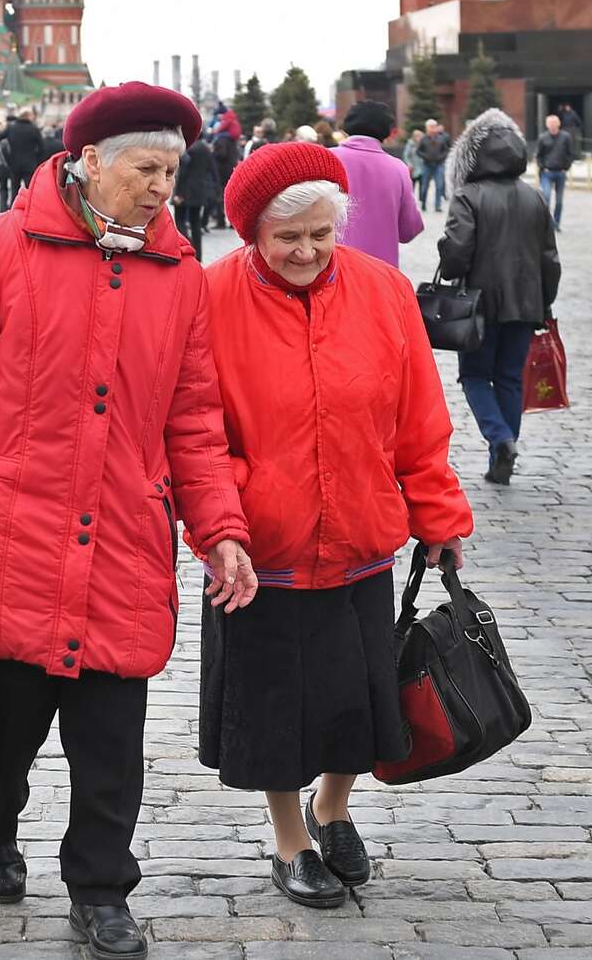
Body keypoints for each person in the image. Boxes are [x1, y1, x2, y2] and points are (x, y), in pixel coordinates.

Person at [0, 82, 254, 960]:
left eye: (172, 169)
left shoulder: (181, 279)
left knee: (110, 744)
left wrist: (220, 530)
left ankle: (101, 890)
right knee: (8, 728)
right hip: (10, 533)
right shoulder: (0, 251)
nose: (163, 186)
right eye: (146, 168)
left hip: (124, 541)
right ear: (90, 162)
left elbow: (195, 419)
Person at [197, 139, 473, 911]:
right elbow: (193, 432)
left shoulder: (384, 292)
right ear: (253, 232)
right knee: (274, 704)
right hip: (260, 548)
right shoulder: (211, 297)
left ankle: (334, 804)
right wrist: (229, 515)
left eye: (322, 233)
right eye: (289, 237)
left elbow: (420, 417)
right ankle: (290, 837)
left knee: (358, 694)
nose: (308, 250)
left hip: (358, 536)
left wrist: (440, 514)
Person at [438, 110, 561, 484]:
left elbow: (457, 253)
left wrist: (447, 256)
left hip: (479, 303)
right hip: (526, 303)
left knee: (475, 376)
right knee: (509, 377)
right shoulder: (535, 197)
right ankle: (502, 455)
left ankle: (500, 439)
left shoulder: (468, 195)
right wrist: (544, 300)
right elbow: (549, 258)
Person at [330, 100, 422, 267]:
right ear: (386, 132)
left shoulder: (325, 159)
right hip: (381, 275)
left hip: (333, 269)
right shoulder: (398, 168)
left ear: (347, 126)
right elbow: (409, 230)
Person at [173, 131, 219, 255]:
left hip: (185, 190)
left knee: (180, 219)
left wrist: (178, 193)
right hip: (199, 190)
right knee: (195, 222)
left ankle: (187, 249)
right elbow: (212, 169)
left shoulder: (187, 149)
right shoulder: (205, 148)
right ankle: (198, 254)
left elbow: (183, 173)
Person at [0, 106, 45, 213]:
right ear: (28, 117)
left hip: (14, 164)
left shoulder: (12, 128)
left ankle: (13, 210)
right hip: (30, 164)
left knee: (14, 189)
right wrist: (37, 160)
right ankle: (30, 210)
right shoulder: (34, 129)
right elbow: (42, 148)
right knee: (29, 189)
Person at [533, 113, 575, 229]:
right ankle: (547, 221)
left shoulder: (565, 137)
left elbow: (571, 154)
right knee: (546, 196)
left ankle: (556, 223)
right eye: (550, 123)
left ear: (559, 124)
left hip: (560, 172)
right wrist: (542, 167)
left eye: (554, 123)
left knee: (559, 201)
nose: (552, 125)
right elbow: (538, 155)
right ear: (547, 125)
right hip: (547, 172)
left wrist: (566, 167)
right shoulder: (543, 138)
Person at [415, 118, 451, 211]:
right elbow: (418, 151)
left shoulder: (441, 138)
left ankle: (437, 206)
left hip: (439, 165)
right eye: (431, 127)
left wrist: (442, 157)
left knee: (439, 185)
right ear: (427, 128)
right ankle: (423, 203)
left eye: (434, 126)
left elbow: (446, 150)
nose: (433, 128)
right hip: (427, 165)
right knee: (424, 186)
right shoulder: (423, 139)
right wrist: (425, 156)